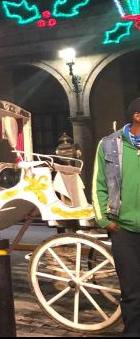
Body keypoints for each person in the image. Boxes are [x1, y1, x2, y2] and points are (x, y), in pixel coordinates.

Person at [93, 97, 140, 336]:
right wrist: (104, 220)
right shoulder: (109, 144)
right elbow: (99, 184)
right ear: (137, 116)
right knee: (131, 289)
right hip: (124, 229)